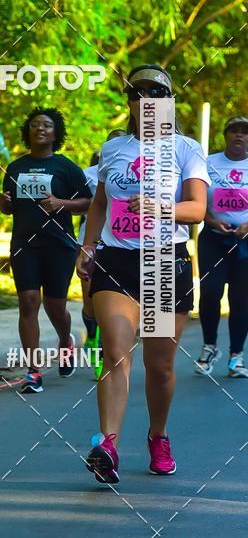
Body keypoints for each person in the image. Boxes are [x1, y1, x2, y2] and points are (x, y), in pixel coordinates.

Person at [77, 65, 209, 483]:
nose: (146, 99)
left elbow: (198, 209)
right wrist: (89, 244)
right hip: (116, 260)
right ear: (129, 102)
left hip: (165, 264)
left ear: (168, 101)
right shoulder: (114, 148)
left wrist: (159, 208)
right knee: (115, 349)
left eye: (156, 92)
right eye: (137, 92)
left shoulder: (186, 148)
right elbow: (99, 202)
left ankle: (158, 434)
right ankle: (108, 443)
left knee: (160, 365)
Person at [0, 108, 92, 393]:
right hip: (25, 246)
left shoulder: (66, 167)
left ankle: (66, 340)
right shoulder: (15, 168)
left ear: (55, 133)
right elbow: (8, 207)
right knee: (27, 302)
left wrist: (62, 203)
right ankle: (33, 371)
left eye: (47, 125)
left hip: (58, 246)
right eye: (35, 124)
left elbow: (89, 202)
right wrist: (3, 202)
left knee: (55, 306)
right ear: (28, 131)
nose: (40, 128)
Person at [195, 115, 248, 378]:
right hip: (213, 239)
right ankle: (209, 347)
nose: (239, 136)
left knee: (241, 299)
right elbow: (195, 199)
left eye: (245, 132)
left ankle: (236, 356)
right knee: (210, 291)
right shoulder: (209, 163)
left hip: (245, 242)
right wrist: (212, 220)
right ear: (225, 135)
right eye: (234, 131)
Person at [78, 131, 127, 378]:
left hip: (120, 246)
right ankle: (91, 331)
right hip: (91, 241)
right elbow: (81, 204)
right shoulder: (89, 174)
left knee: (109, 310)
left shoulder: (139, 168)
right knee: (90, 303)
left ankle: (104, 354)